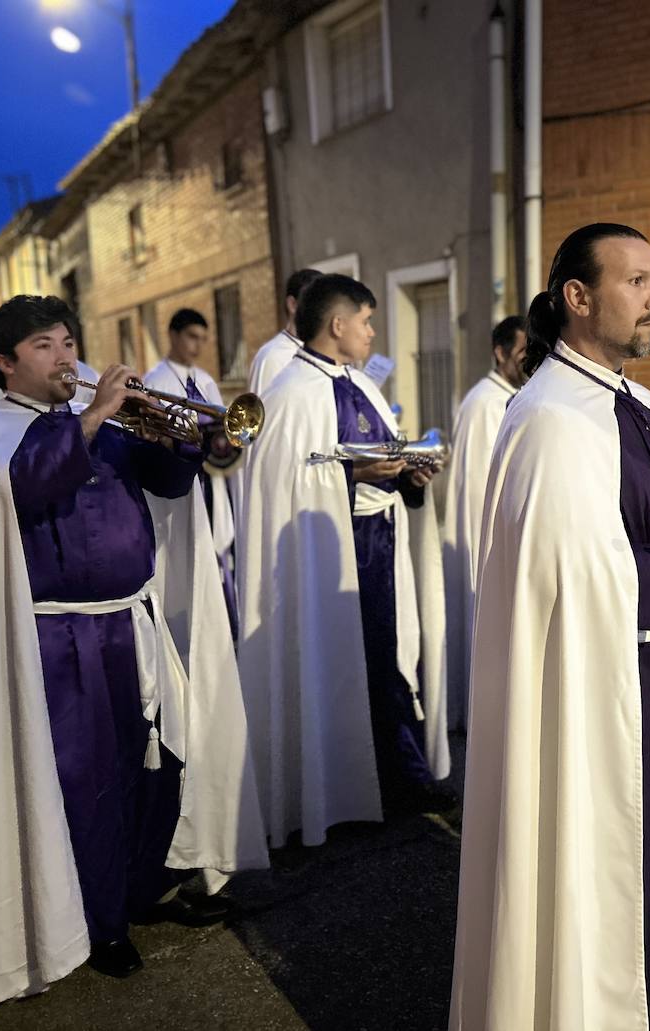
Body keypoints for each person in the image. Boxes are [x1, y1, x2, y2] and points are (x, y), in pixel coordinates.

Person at [0, 295, 266, 1003]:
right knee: (85, 780)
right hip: (59, 638)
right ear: (5, 362)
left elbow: (171, 483)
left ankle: (146, 886)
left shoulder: (101, 422)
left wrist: (199, 439)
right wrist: (92, 417)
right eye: (45, 346)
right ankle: (101, 920)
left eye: (67, 341)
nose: (65, 357)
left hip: (130, 623)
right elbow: (29, 481)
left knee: (154, 761)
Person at [449, 224, 650, 1030]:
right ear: (578, 297)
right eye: (637, 281)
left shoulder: (635, 402)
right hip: (607, 688)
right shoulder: (550, 418)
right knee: (612, 876)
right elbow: (562, 577)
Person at [237, 273, 450, 848]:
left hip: (375, 545)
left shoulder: (360, 384)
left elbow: (383, 448)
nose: (372, 332)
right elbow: (289, 478)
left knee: (384, 661)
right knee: (336, 668)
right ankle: (335, 791)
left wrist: (409, 471)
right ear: (337, 325)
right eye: (366, 321)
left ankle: (394, 777)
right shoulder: (291, 395)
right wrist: (354, 472)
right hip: (323, 556)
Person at [441, 315, 526, 730]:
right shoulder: (485, 404)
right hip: (486, 538)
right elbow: (480, 490)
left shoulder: (512, 396)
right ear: (500, 352)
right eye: (523, 354)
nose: (529, 364)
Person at [144, 308, 238, 634]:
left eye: (202, 339)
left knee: (215, 550)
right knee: (184, 552)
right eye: (191, 337)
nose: (197, 346)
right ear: (172, 335)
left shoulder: (207, 380)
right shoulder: (155, 380)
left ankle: (220, 622)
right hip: (180, 483)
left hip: (211, 479)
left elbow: (223, 428)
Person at [244, 267, 323, 395]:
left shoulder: (328, 353)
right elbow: (262, 413)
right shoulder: (271, 357)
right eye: (315, 302)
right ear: (292, 304)